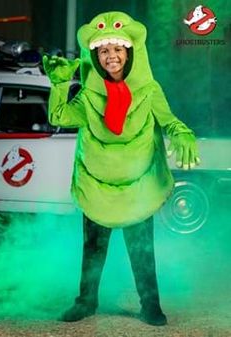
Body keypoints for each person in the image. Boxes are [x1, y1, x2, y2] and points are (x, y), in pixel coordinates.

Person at [43, 11, 200, 326]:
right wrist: (59, 84)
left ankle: (150, 305)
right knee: (93, 249)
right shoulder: (88, 97)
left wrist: (182, 132)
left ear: (129, 52)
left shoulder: (149, 90)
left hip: (137, 187)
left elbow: (168, 121)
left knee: (142, 251)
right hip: (97, 186)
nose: (110, 56)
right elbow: (58, 116)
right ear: (96, 56)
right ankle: (85, 302)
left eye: (116, 49)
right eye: (103, 50)